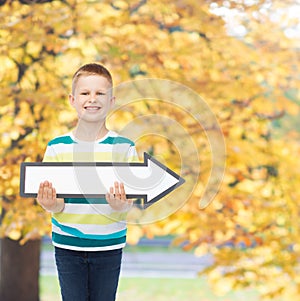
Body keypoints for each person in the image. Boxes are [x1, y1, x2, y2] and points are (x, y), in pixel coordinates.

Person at [37, 63, 139, 301]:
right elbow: (56, 204)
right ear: (72, 100)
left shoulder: (124, 147)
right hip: (68, 245)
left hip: (108, 245)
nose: (92, 99)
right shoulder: (57, 147)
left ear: (111, 101)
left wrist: (120, 205)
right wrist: (50, 204)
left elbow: (129, 201)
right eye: (85, 93)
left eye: (100, 93)